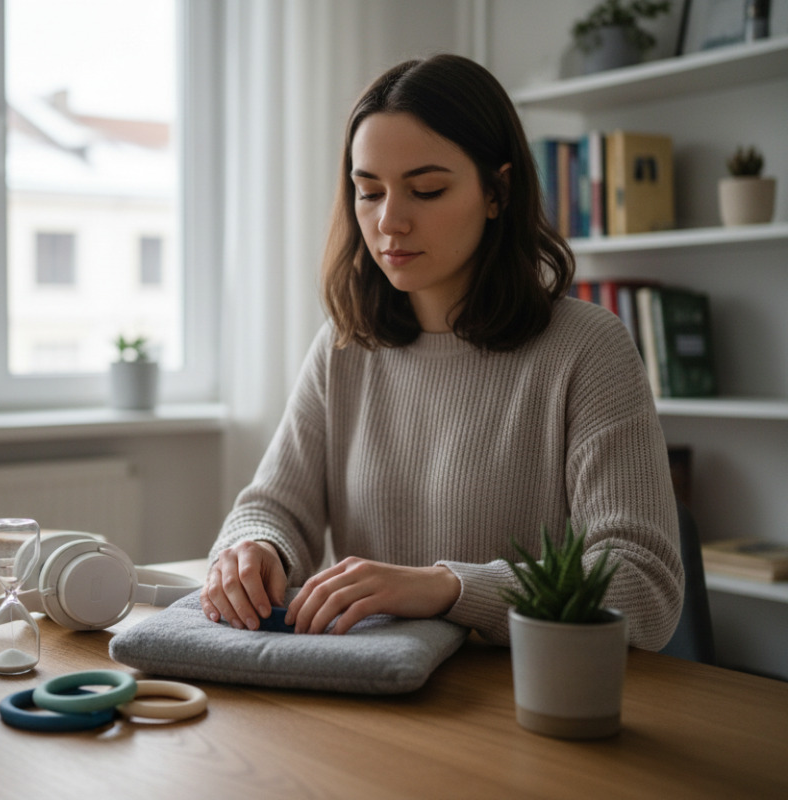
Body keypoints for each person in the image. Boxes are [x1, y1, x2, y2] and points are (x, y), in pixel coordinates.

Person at [202, 53, 684, 650]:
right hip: (372, 692)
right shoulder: (344, 345)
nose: (389, 222)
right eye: (368, 192)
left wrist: (449, 589)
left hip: (519, 708)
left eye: (425, 190)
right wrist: (253, 549)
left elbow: (643, 587)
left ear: (497, 192)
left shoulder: (588, 349)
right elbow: (273, 508)